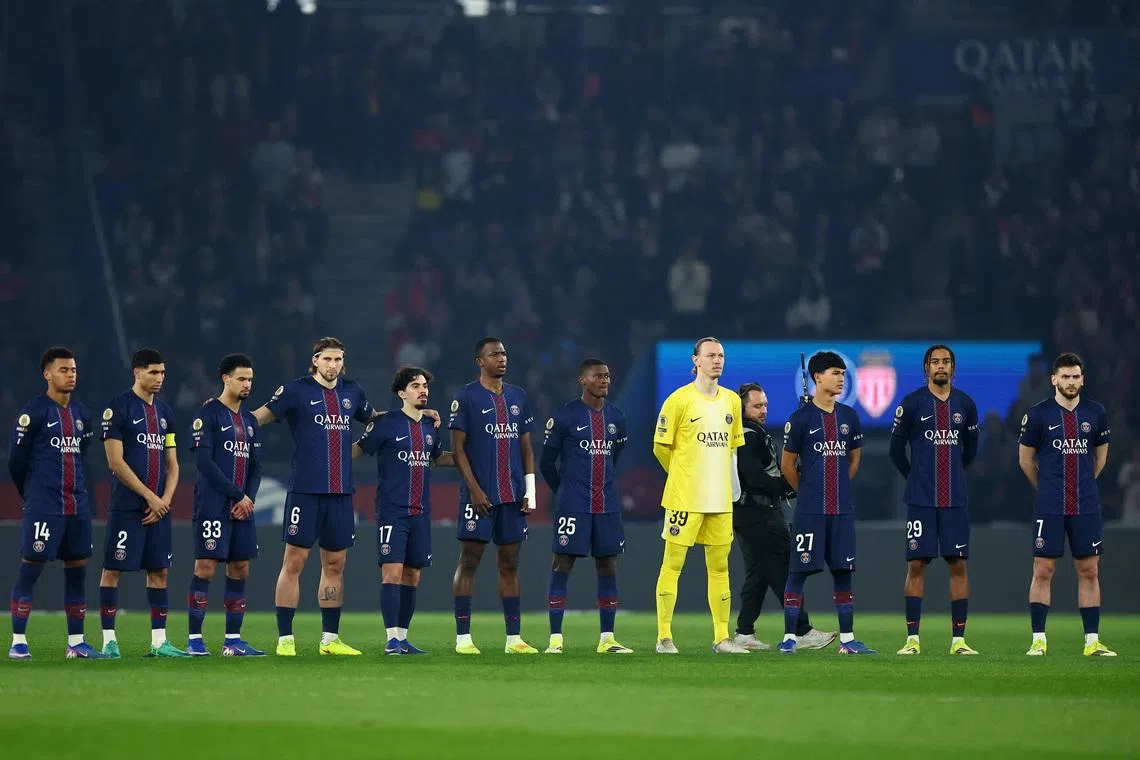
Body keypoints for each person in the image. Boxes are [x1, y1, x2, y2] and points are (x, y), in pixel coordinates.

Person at [253, 337, 376, 657]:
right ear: (315, 361)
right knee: (294, 561)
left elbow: (377, 420)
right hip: (305, 491)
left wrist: (414, 414)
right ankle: (285, 639)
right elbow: (261, 417)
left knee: (335, 564)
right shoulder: (296, 391)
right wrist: (227, 418)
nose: (333, 365)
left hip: (340, 493)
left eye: (338, 359)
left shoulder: (353, 393)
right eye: (328, 359)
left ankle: (330, 639)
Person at [653, 337, 748, 654]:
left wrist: (731, 489)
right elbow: (661, 447)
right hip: (684, 499)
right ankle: (664, 637)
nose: (717, 360)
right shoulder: (678, 401)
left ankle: (722, 638)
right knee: (673, 565)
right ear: (695, 361)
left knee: (720, 568)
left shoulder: (732, 401)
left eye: (721, 355)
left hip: (719, 501)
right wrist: (683, 476)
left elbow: (732, 450)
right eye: (710, 355)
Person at [352, 366, 455, 655]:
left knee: (413, 576)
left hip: (420, 511)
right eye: (415, 386)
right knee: (392, 573)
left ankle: (403, 637)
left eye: (425, 386)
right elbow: (360, 449)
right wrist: (329, 453)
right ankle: (391, 639)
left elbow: (438, 458)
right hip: (392, 511)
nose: (423, 390)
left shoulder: (428, 427)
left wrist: (470, 458)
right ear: (401, 393)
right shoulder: (386, 424)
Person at [7, 347, 102, 659]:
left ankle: (76, 643)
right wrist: (33, 495)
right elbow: (16, 462)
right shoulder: (33, 413)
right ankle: (18, 641)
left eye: (73, 370)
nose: (70, 375)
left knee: (77, 572)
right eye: (63, 370)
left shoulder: (83, 415)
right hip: (45, 507)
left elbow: (84, 455)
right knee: (30, 570)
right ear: (47, 374)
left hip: (77, 507)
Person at [1018, 352, 1115, 656]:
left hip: (1085, 504)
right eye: (1065, 376)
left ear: (1082, 379)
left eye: (1075, 376)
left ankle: (1092, 641)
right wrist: (1046, 487)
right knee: (1043, 569)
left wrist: (1084, 482)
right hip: (1050, 504)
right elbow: (1025, 460)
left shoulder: (1095, 413)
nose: (1070, 382)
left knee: (1089, 570)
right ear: (1054, 380)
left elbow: (1100, 457)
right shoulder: (1038, 415)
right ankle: (1038, 640)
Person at [778, 351, 875, 655]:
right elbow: (787, 464)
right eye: (835, 373)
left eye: (843, 374)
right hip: (810, 511)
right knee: (797, 572)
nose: (841, 379)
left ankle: (847, 641)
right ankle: (790, 638)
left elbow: (855, 456)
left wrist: (841, 485)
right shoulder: (801, 419)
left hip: (841, 510)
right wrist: (806, 491)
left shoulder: (849, 416)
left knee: (844, 572)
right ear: (818, 377)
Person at [448, 337, 538, 655]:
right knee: (469, 561)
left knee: (510, 564)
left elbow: (526, 447)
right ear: (480, 361)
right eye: (494, 354)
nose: (502, 359)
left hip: (512, 496)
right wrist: (474, 490)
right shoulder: (466, 397)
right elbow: (458, 450)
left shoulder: (518, 396)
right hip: (479, 498)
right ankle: (463, 638)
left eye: (504, 354)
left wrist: (531, 490)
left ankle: (514, 639)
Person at [730, 382, 835, 651]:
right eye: (757, 406)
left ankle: (744, 632)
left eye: (765, 405)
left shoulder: (750, 433)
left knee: (759, 572)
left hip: (747, 512)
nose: (763, 410)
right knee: (783, 567)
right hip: (758, 511)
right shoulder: (747, 435)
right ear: (742, 408)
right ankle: (800, 630)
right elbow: (754, 477)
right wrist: (787, 485)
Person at [889, 345, 980, 656]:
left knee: (958, 565)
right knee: (916, 564)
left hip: (955, 499)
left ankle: (959, 641)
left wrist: (952, 473)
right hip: (921, 500)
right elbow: (895, 451)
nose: (941, 366)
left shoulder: (965, 405)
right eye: (935, 362)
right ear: (926, 367)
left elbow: (970, 450)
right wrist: (916, 477)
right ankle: (912, 639)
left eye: (946, 362)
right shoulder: (912, 403)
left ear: (953, 368)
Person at [99, 348, 188, 658]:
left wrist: (164, 500)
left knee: (160, 571)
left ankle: (159, 642)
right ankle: (109, 640)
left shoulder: (165, 414)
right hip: (127, 506)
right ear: (137, 372)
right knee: (113, 570)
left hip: (158, 508)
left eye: (162, 372)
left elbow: (173, 465)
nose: (159, 378)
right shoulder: (119, 408)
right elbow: (115, 461)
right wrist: (150, 497)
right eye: (153, 372)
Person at [540, 359, 633, 655]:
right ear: (583, 380)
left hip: (606, 504)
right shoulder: (566, 416)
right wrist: (565, 490)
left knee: (608, 565)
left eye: (607, 375)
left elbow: (614, 458)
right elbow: (546, 463)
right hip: (573, 505)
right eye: (597, 376)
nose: (604, 380)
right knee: (562, 564)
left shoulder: (617, 417)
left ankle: (607, 638)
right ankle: (555, 638)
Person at [185, 353, 265, 657]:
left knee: (240, 568)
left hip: (242, 507)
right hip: (213, 505)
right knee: (205, 568)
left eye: (250, 380)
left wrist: (250, 499)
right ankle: (195, 640)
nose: (247, 385)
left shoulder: (250, 420)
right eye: (241, 379)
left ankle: (232, 640)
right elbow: (204, 463)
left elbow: (257, 466)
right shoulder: (208, 415)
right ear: (225, 378)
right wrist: (237, 495)